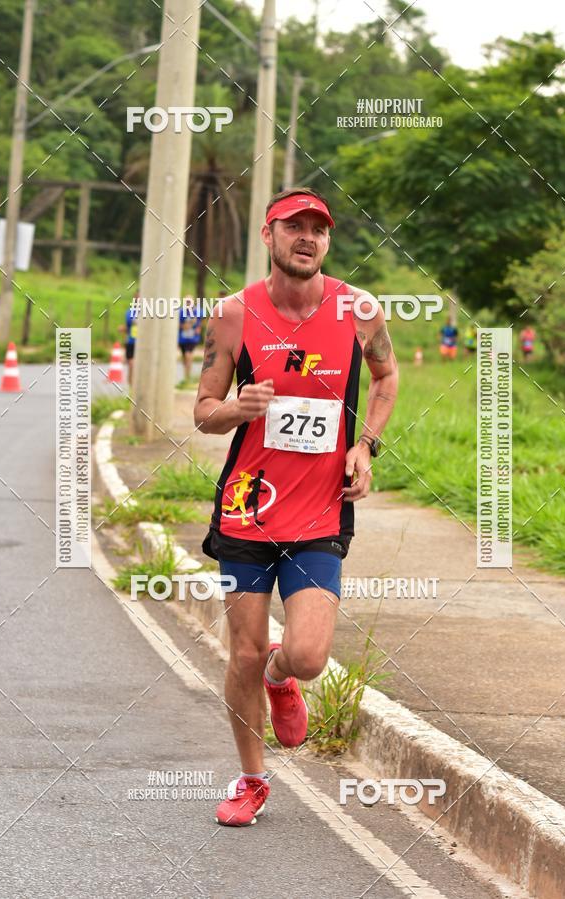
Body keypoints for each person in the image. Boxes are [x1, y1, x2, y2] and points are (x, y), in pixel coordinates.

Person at [193, 187, 399, 827]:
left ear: (327, 241)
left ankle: (284, 680)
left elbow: (387, 378)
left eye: (319, 228)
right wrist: (237, 409)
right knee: (243, 656)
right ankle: (252, 780)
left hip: (317, 512)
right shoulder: (232, 314)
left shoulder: (359, 309)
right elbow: (203, 412)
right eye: (294, 227)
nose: (307, 237)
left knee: (305, 657)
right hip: (246, 511)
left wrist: (365, 446)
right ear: (268, 235)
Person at [178, 298, 202, 382]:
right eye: (187, 302)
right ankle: (186, 374)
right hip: (182, 338)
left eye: (189, 302)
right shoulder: (181, 312)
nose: (188, 303)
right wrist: (185, 325)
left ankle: (188, 376)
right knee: (184, 356)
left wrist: (198, 328)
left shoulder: (197, 311)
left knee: (189, 354)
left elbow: (200, 322)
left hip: (192, 338)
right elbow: (178, 324)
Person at [119, 299, 138, 386]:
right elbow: (127, 327)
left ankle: (134, 383)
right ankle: (131, 385)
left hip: (143, 344)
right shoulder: (129, 313)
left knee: (136, 364)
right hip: (131, 341)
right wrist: (123, 329)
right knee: (131, 364)